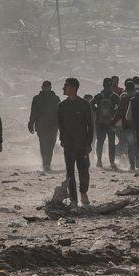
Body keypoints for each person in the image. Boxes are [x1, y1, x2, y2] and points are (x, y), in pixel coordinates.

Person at [57, 78, 95, 206]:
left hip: (82, 144)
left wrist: (88, 143)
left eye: (66, 86)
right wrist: (62, 139)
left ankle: (83, 192)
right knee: (69, 172)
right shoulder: (62, 106)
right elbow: (60, 125)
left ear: (73, 87)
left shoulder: (84, 105)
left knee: (83, 170)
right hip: (68, 144)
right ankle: (73, 199)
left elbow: (90, 125)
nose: (63, 88)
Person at [28, 81, 60, 172]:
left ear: (50, 87)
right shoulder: (37, 99)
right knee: (43, 144)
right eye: (45, 87)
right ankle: (45, 163)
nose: (46, 88)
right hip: (41, 125)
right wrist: (31, 123)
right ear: (42, 88)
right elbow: (33, 112)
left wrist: (61, 125)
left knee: (50, 145)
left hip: (53, 125)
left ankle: (47, 163)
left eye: (47, 87)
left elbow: (60, 112)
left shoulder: (56, 98)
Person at [91, 78, 120, 169]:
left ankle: (99, 161)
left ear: (103, 85)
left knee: (100, 142)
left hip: (100, 122)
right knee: (111, 142)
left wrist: (97, 112)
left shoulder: (99, 96)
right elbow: (119, 107)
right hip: (111, 122)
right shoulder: (115, 96)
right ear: (111, 85)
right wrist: (114, 114)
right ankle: (112, 162)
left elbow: (91, 104)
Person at [117, 79, 138, 171]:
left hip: (127, 124)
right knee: (137, 144)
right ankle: (138, 161)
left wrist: (115, 122)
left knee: (130, 145)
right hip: (137, 124)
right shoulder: (138, 96)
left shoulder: (123, 96)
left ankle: (132, 165)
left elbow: (120, 111)